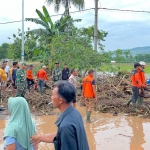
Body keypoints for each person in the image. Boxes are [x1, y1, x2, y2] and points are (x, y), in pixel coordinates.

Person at [30, 81, 89, 150]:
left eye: (52, 95)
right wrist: (40, 138)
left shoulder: (65, 126)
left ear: (60, 100)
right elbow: (59, 135)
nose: (51, 97)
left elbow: (64, 132)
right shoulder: (75, 113)